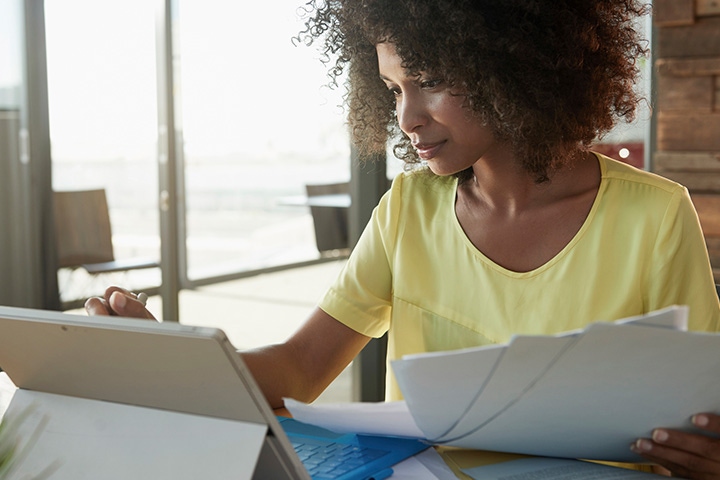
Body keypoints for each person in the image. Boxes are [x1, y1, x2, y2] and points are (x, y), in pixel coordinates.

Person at [86, 0, 720, 477]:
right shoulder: (408, 209)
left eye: (431, 81)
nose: (408, 117)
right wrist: (170, 357)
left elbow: (698, 420)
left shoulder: (655, 217)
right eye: (393, 89)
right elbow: (301, 369)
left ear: (514, 65)